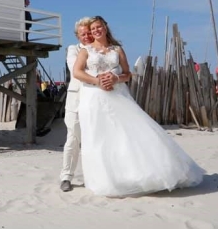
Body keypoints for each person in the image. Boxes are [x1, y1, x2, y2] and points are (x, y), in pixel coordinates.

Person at [72, 16, 205, 197]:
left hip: (117, 94)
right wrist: (97, 81)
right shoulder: (85, 51)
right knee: (99, 136)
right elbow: (77, 72)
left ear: (105, 27)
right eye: (92, 28)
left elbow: (128, 73)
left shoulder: (117, 50)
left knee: (126, 133)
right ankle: (108, 179)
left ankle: (138, 174)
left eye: (98, 27)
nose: (96, 31)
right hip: (94, 97)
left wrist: (115, 78)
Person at [60, 17, 94, 192]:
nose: (86, 36)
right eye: (83, 34)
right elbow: (76, 70)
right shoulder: (73, 50)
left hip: (96, 98)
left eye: (89, 32)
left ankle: (95, 176)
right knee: (73, 138)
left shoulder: (100, 49)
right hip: (76, 99)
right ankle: (66, 176)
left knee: (95, 139)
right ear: (77, 35)